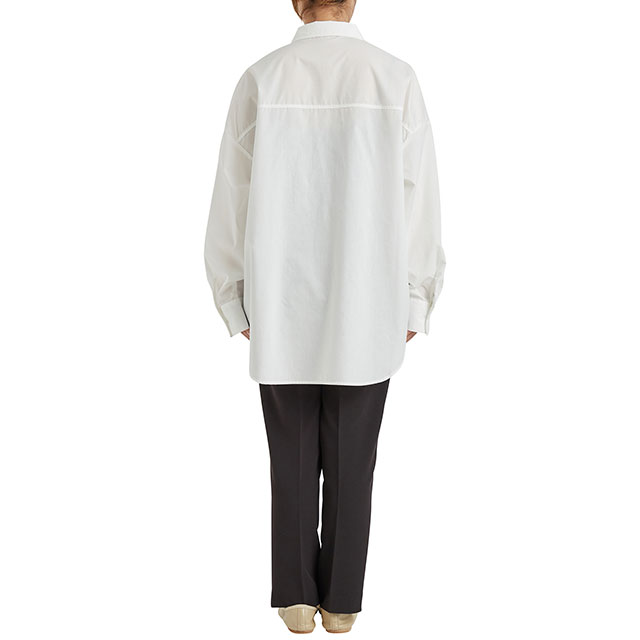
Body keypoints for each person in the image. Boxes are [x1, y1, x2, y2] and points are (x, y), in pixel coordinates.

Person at [204, 0, 446, 633]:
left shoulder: (262, 78)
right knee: (353, 462)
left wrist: (232, 295)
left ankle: (294, 596)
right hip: (368, 302)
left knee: (289, 459)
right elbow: (420, 198)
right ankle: (340, 601)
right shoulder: (394, 78)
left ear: (295, 2)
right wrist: (416, 296)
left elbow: (231, 196)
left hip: (278, 303)